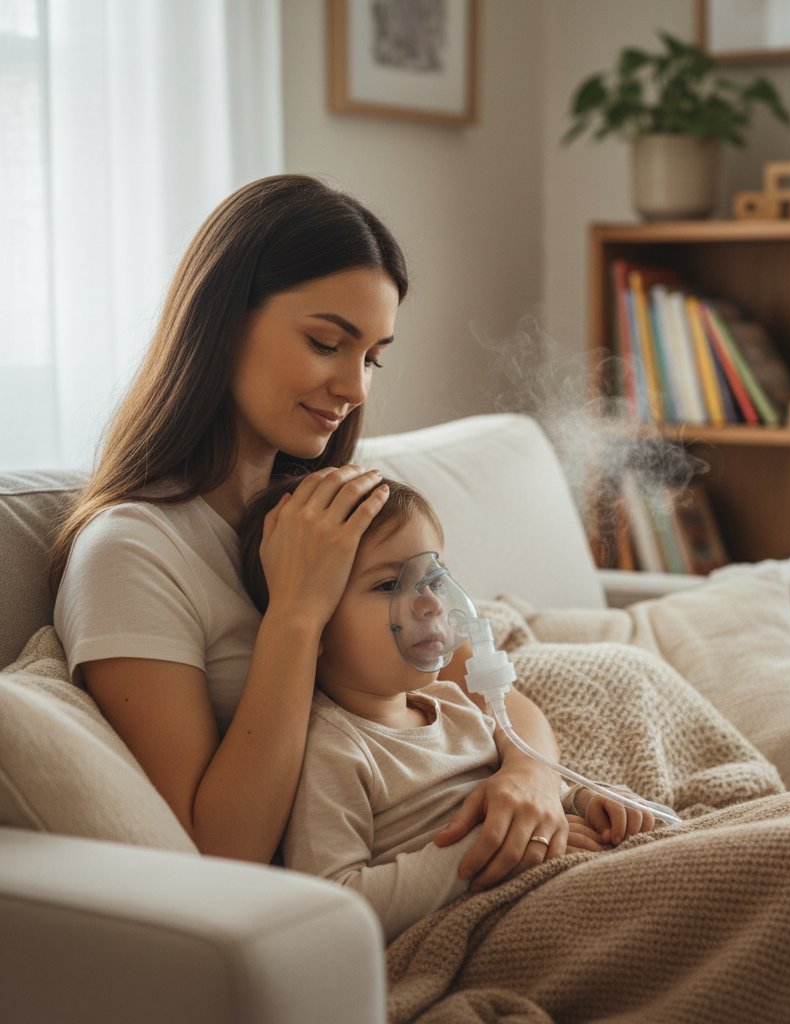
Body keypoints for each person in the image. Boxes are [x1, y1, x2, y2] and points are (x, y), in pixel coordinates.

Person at [50, 174, 570, 884]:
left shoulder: (338, 505)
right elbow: (215, 856)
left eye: (372, 356)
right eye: (328, 342)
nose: (356, 387)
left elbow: (485, 688)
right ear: (223, 321)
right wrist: (295, 615)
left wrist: (534, 778)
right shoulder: (132, 554)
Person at [237, 474, 656, 941]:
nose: (431, 604)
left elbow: (527, 793)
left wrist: (588, 800)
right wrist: (491, 848)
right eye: (389, 584)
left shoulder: (455, 704)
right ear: (314, 625)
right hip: (499, 928)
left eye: (433, 579)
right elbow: (336, 904)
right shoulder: (334, 751)